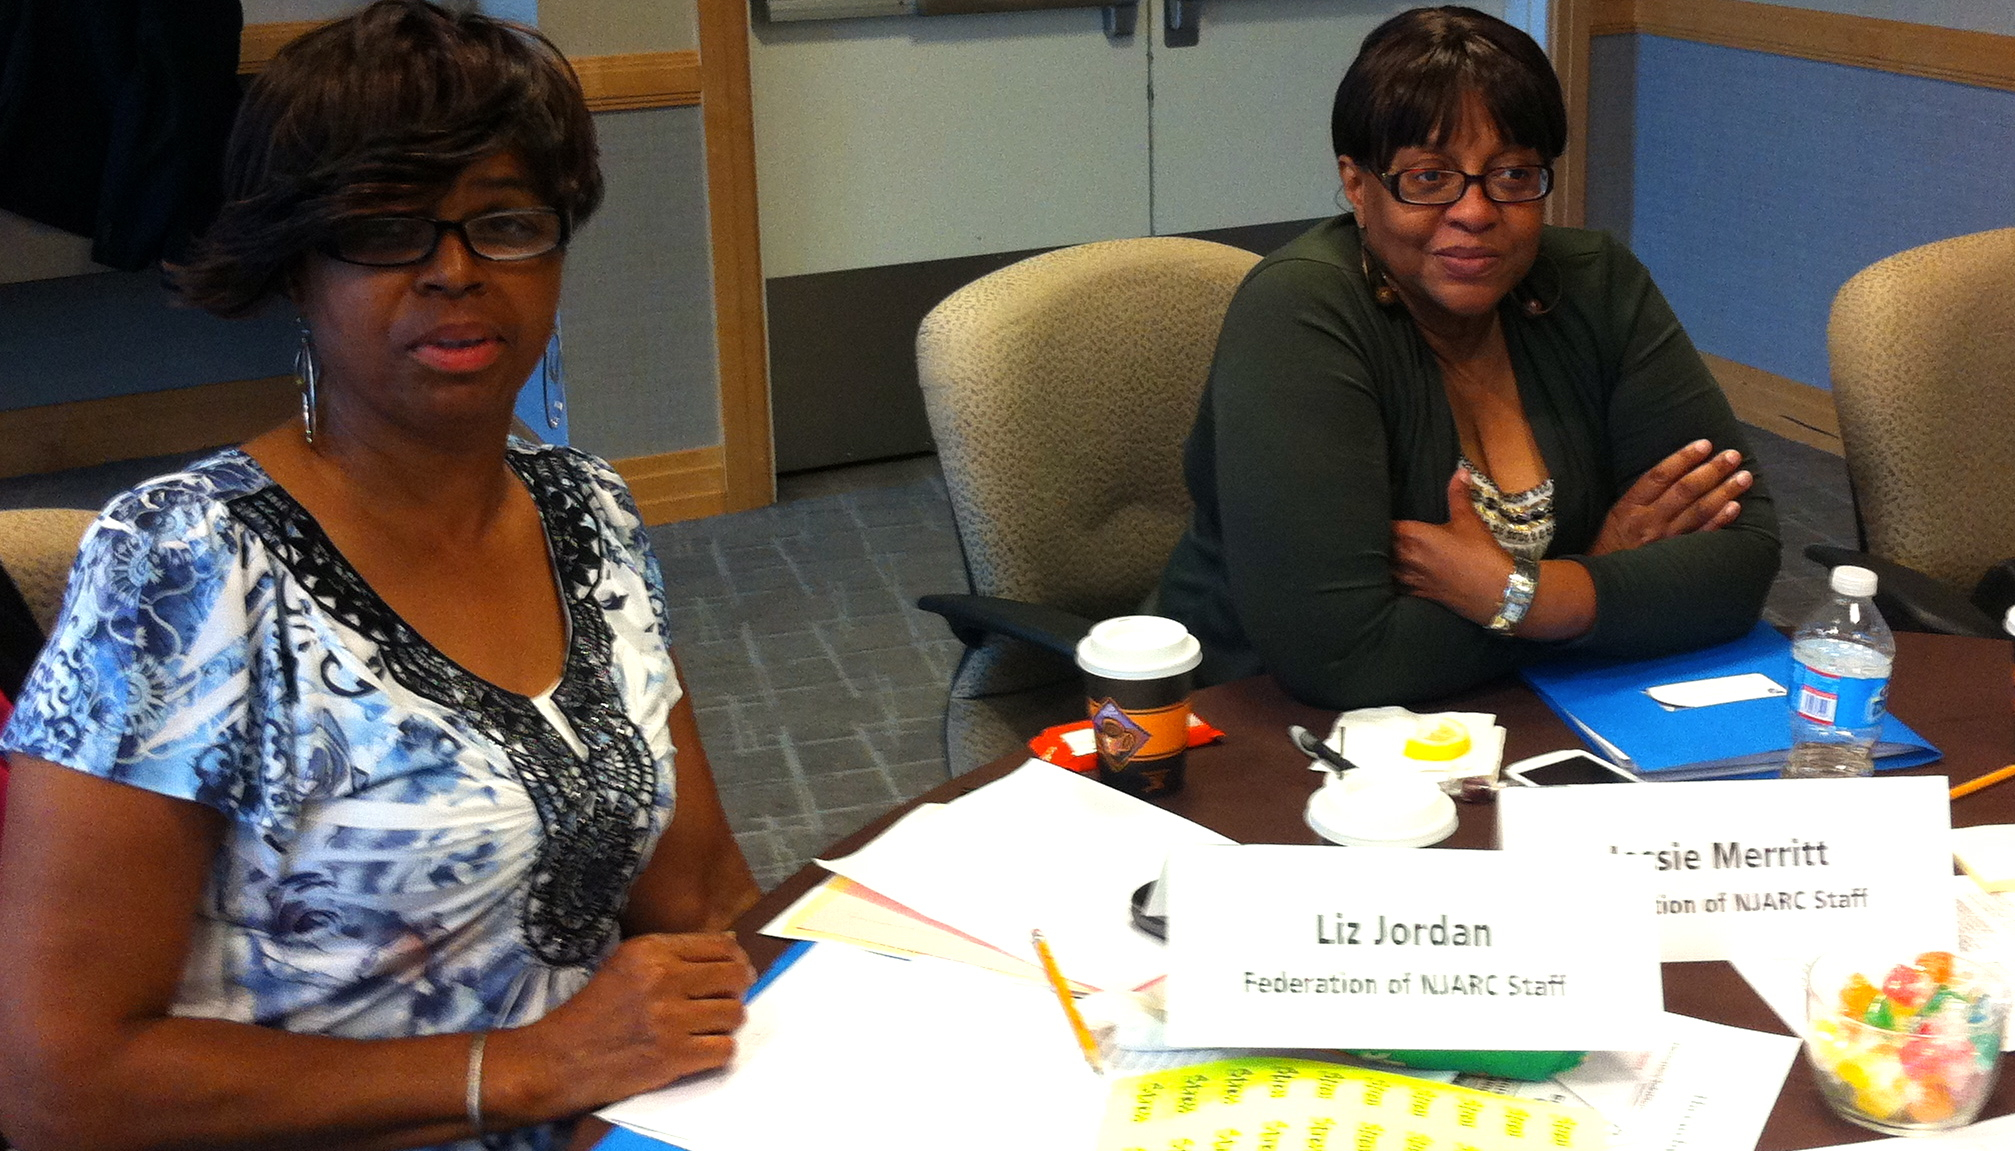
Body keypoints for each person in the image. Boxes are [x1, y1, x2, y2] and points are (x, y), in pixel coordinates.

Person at [0, 5, 761, 1150]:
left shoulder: (585, 508)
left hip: (617, 1115)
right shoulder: (180, 566)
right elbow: (58, 1086)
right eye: (383, 230)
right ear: (296, 270)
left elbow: (698, 901)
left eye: (505, 224)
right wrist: (523, 1067)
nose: (454, 271)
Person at [1156, 6, 1779, 709]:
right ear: (1357, 185)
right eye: (1429, 177)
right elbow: (1342, 658)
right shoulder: (1298, 311)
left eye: (1512, 174)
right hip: (1258, 730)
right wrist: (1597, 579)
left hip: (1536, 708)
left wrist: (1520, 594)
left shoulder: (1596, 283)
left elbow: (1743, 558)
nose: (1476, 212)